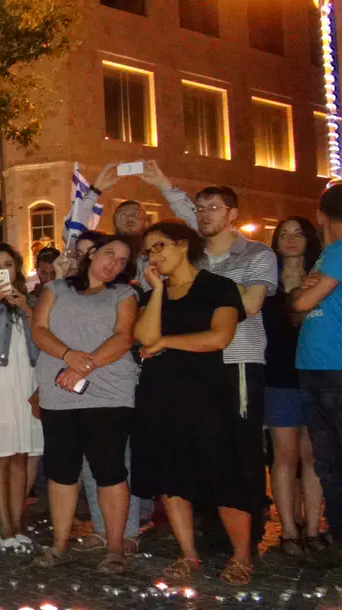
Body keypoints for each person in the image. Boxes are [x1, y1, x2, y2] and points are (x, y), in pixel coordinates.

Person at [131, 221, 251, 585]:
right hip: (160, 393)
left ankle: (242, 556)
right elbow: (144, 337)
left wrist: (168, 342)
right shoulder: (154, 292)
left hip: (206, 394)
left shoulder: (218, 286)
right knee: (171, 475)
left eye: (159, 246)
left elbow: (219, 337)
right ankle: (188, 554)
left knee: (222, 473)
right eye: (148, 251)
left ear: (183, 244)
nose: (153, 256)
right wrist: (157, 291)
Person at [31, 236, 138, 573]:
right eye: (109, 254)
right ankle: (60, 544)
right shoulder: (57, 289)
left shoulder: (124, 294)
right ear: (91, 254)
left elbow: (124, 337)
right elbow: (39, 330)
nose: (113, 264)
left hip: (108, 394)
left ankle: (115, 548)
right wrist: (68, 356)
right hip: (59, 394)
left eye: (122, 260)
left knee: (109, 470)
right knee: (62, 471)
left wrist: (82, 365)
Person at [194, 186, 277, 550]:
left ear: (232, 214)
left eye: (213, 207)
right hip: (200, 361)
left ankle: (248, 530)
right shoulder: (194, 259)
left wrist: (204, 295)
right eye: (200, 208)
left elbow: (252, 304)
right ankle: (214, 526)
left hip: (240, 359)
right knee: (207, 443)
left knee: (242, 445)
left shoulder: (257, 253)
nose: (204, 214)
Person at [292, 182, 342, 567]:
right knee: (332, 463)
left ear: (320, 215)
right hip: (320, 366)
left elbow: (302, 302)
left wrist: (301, 293)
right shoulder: (331, 254)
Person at [264, 218, 325, 556]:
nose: (290, 240)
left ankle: (314, 529)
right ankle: (288, 529)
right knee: (284, 454)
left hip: (316, 372)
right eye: (283, 234)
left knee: (313, 455)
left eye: (298, 233)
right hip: (279, 376)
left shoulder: (321, 278)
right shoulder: (266, 282)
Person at [0, 243, 42, 549]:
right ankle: (4, 527)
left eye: (8, 264)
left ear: (17, 267)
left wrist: (27, 309)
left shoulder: (32, 300)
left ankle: (16, 524)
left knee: (21, 456)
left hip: (26, 379)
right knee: (0, 455)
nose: (3, 270)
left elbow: (41, 341)